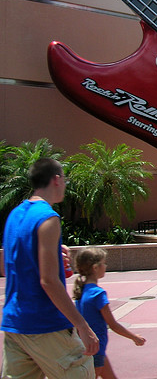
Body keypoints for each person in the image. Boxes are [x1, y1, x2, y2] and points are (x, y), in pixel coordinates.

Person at [1, 158, 99, 378]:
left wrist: (53, 252)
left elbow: (8, 268)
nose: (65, 184)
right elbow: (49, 281)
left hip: (14, 325)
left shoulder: (15, 215)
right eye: (64, 179)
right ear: (56, 179)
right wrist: (82, 325)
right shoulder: (48, 218)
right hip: (45, 324)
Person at [74, 247, 146, 378]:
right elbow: (112, 324)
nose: (106, 266)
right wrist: (134, 337)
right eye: (104, 263)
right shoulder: (98, 294)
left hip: (89, 348)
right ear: (95, 268)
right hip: (96, 349)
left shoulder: (82, 292)